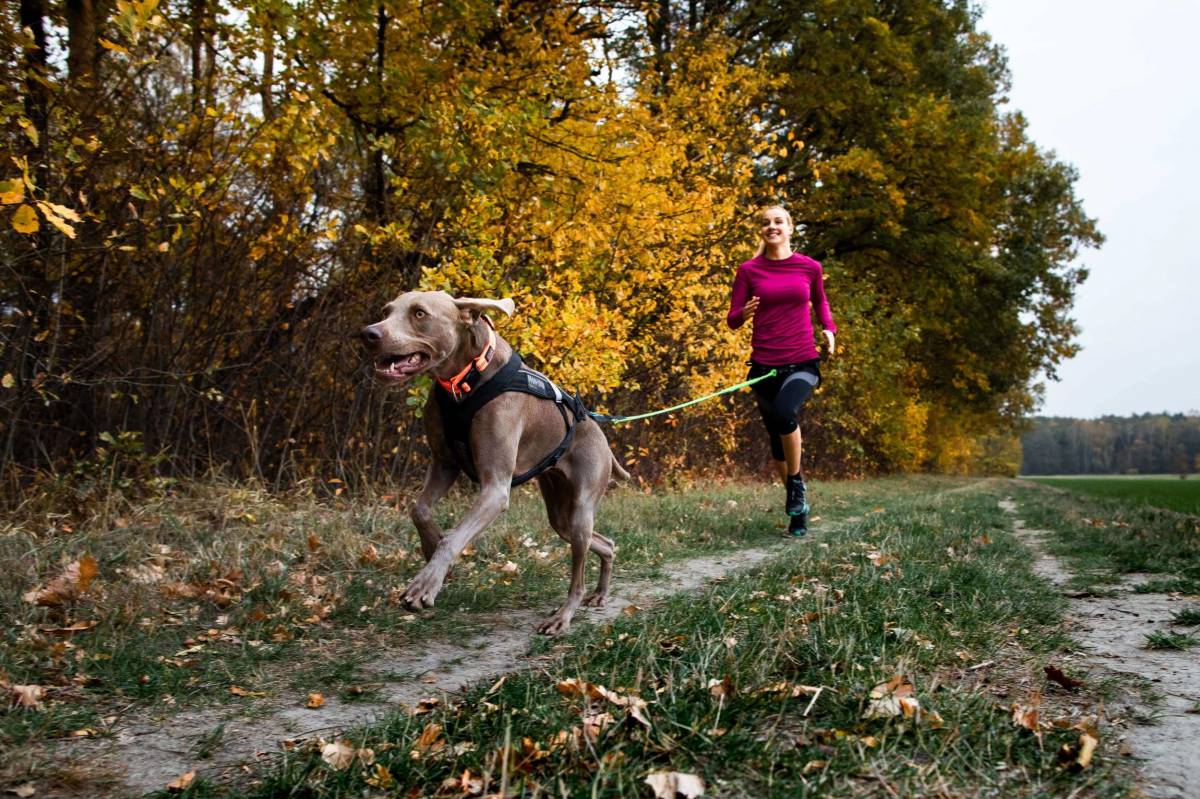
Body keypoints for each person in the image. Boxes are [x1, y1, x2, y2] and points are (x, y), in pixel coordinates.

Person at [726, 205, 837, 536]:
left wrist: (829, 328)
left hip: (801, 362)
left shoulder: (809, 267)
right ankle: (798, 511)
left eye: (778, 221)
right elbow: (732, 319)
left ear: (790, 228)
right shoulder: (749, 271)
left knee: (786, 413)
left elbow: (820, 302)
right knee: (777, 439)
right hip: (764, 367)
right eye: (766, 223)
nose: (771, 226)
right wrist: (743, 313)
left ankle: (796, 483)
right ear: (762, 231)